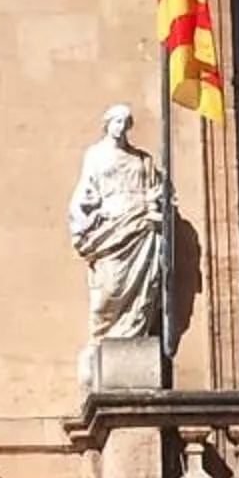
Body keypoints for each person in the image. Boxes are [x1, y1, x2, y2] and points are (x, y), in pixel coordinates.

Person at [69, 104, 167, 360]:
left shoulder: (142, 159)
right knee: (109, 289)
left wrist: (156, 200)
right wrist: (82, 219)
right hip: (112, 227)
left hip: (141, 226)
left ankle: (134, 335)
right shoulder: (95, 154)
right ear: (107, 123)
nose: (121, 127)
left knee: (143, 289)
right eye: (116, 121)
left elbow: (154, 189)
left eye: (125, 122)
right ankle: (101, 340)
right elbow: (86, 189)